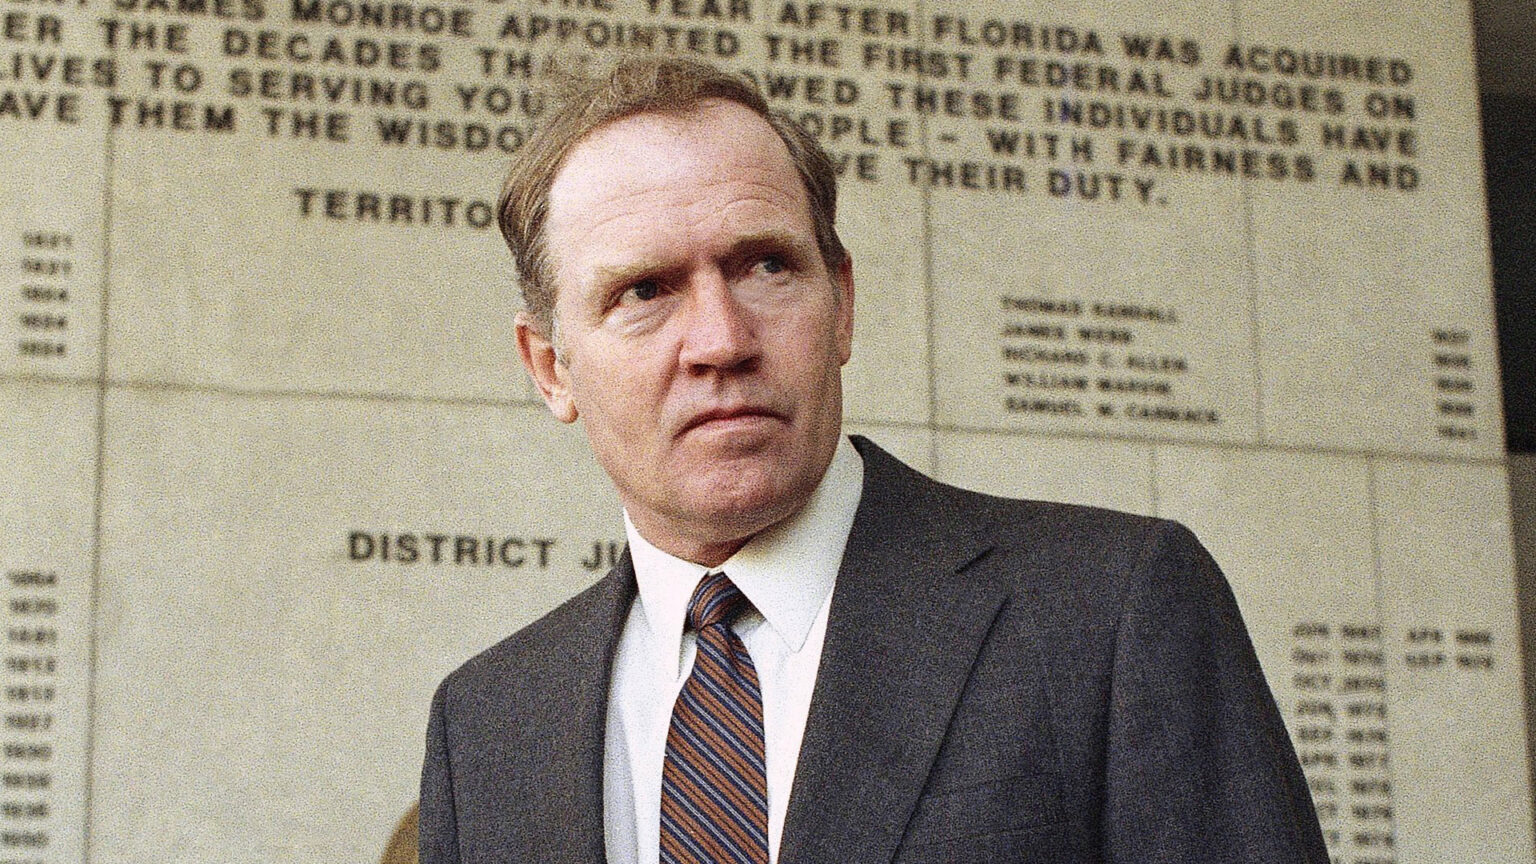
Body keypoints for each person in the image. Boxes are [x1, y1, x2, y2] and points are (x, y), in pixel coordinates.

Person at [420, 56, 1328, 864]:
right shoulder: (487, 728)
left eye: (766, 266)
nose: (721, 339)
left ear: (843, 303)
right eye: (645, 289)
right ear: (550, 367)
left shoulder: (1111, 612)